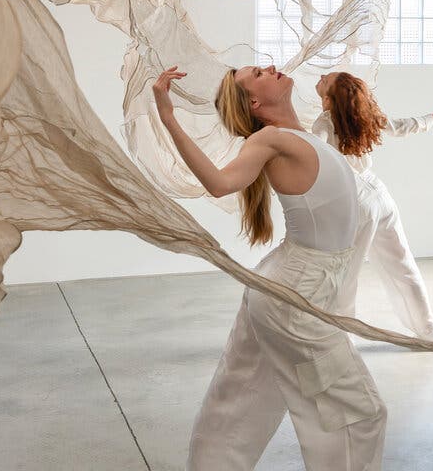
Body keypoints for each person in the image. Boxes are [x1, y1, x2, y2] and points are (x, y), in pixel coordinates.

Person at [153, 65, 387, 471]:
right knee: (357, 415)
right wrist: (168, 117)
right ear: (256, 103)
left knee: (239, 403)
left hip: (285, 289)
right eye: (258, 73)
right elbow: (221, 184)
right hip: (294, 300)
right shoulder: (270, 140)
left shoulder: (301, 136)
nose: (272, 67)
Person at [313, 71, 433, 341]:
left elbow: (312, 151)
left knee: (345, 273)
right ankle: (430, 333)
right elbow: (401, 126)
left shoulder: (325, 121)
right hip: (379, 196)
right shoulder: (363, 117)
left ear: (329, 98)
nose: (320, 76)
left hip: (355, 202)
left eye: (325, 79)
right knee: (403, 266)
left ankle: (341, 339)